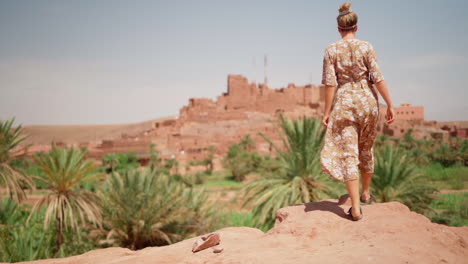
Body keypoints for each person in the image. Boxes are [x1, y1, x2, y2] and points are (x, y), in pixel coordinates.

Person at [320, 2, 395, 221]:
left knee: (348, 153)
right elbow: (377, 77)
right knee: (366, 146)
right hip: (368, 102)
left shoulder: (331, 50)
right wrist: (389, 104)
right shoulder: (366, 47)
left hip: (344, 103)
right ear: (356, 27)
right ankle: (365, 192)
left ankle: (355, 207)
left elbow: (330, 84)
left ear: (338, 29)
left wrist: (326, 111)